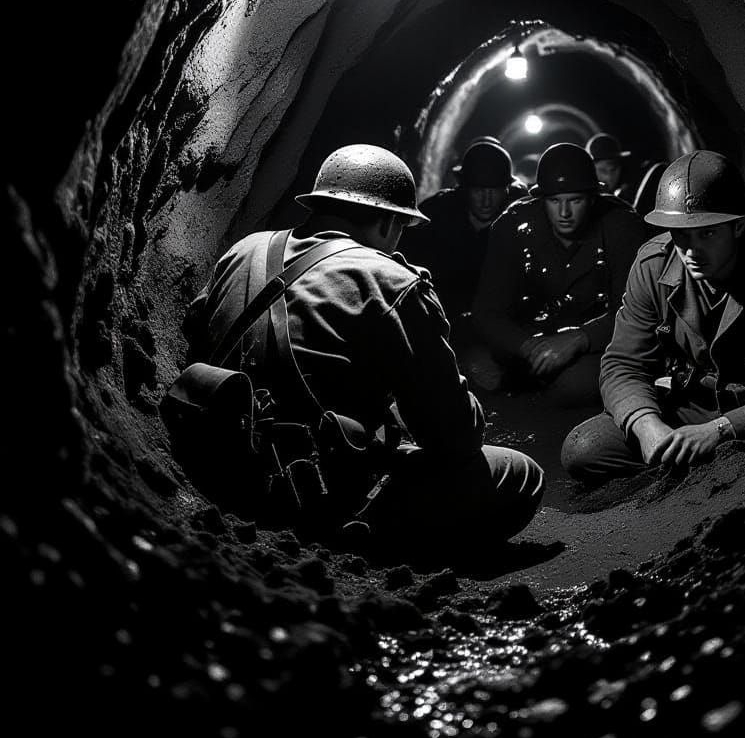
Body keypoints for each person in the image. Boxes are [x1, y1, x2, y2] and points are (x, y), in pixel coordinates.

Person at [184, 144, 544, 549]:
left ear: (320, 204)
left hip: (216, 466)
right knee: (519, 473)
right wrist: (433, 331)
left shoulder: (244, 249)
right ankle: (373, 539)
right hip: (314, 497)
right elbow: (456, 436)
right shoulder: (392, 280)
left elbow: (197, 328)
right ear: (391, 223)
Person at [561, 149, 745, 484]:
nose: (691, 251)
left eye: (707, 233)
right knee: (584, 449)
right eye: (681, 234)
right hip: (692, 406)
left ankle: (743, 470)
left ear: (738, 226)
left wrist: (723, 429)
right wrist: (647, 425)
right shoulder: (653, 265)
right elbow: (623, 364)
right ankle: (686, 472)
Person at [473, 143, 648, 408]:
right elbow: (487, 310)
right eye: (555, 201)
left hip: (595, 348)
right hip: (528, 342)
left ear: (591, 198)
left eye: (575, 201)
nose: (564, 213)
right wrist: (528, 347)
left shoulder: (621, 226)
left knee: (575, 384)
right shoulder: (513, 225)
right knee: (476, 367)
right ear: (541, 199)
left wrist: (580, 339)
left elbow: (636, 311)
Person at [401, 140, 527, 320]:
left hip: (493, 323)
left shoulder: (517, 223)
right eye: (478, 190)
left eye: (494, 191)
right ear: (466, 188)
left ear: (506, 190)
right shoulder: (436, 214)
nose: (486, 200)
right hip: (435, 316)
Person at [586, 133, 635, 203]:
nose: (609, 177)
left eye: (613, 170)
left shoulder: (628, 194)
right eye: (603, 170)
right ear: (590, 170)